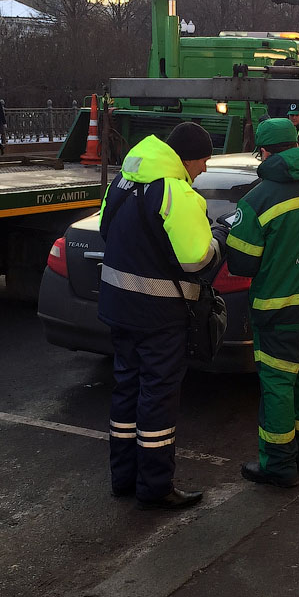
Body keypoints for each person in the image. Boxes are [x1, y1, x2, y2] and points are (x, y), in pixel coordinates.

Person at [98, 121, 224, 510]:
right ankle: (155, 487)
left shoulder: (125, 180)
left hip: (118, 308)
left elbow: (106, 229)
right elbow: (197, 259)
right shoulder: (176, 191)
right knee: (157, 397)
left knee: (126, 390)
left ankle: (123, 479)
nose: (203, 169)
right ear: (188, 158)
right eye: (203, 161)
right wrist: (219, 239)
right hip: (159, 316)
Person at [226, 118, 299, 488]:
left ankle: (278, 465)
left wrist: (228, 231)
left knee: (279, 386)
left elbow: (241, 263)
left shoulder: (257, 200)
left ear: (263, 151)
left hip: (279, 312)